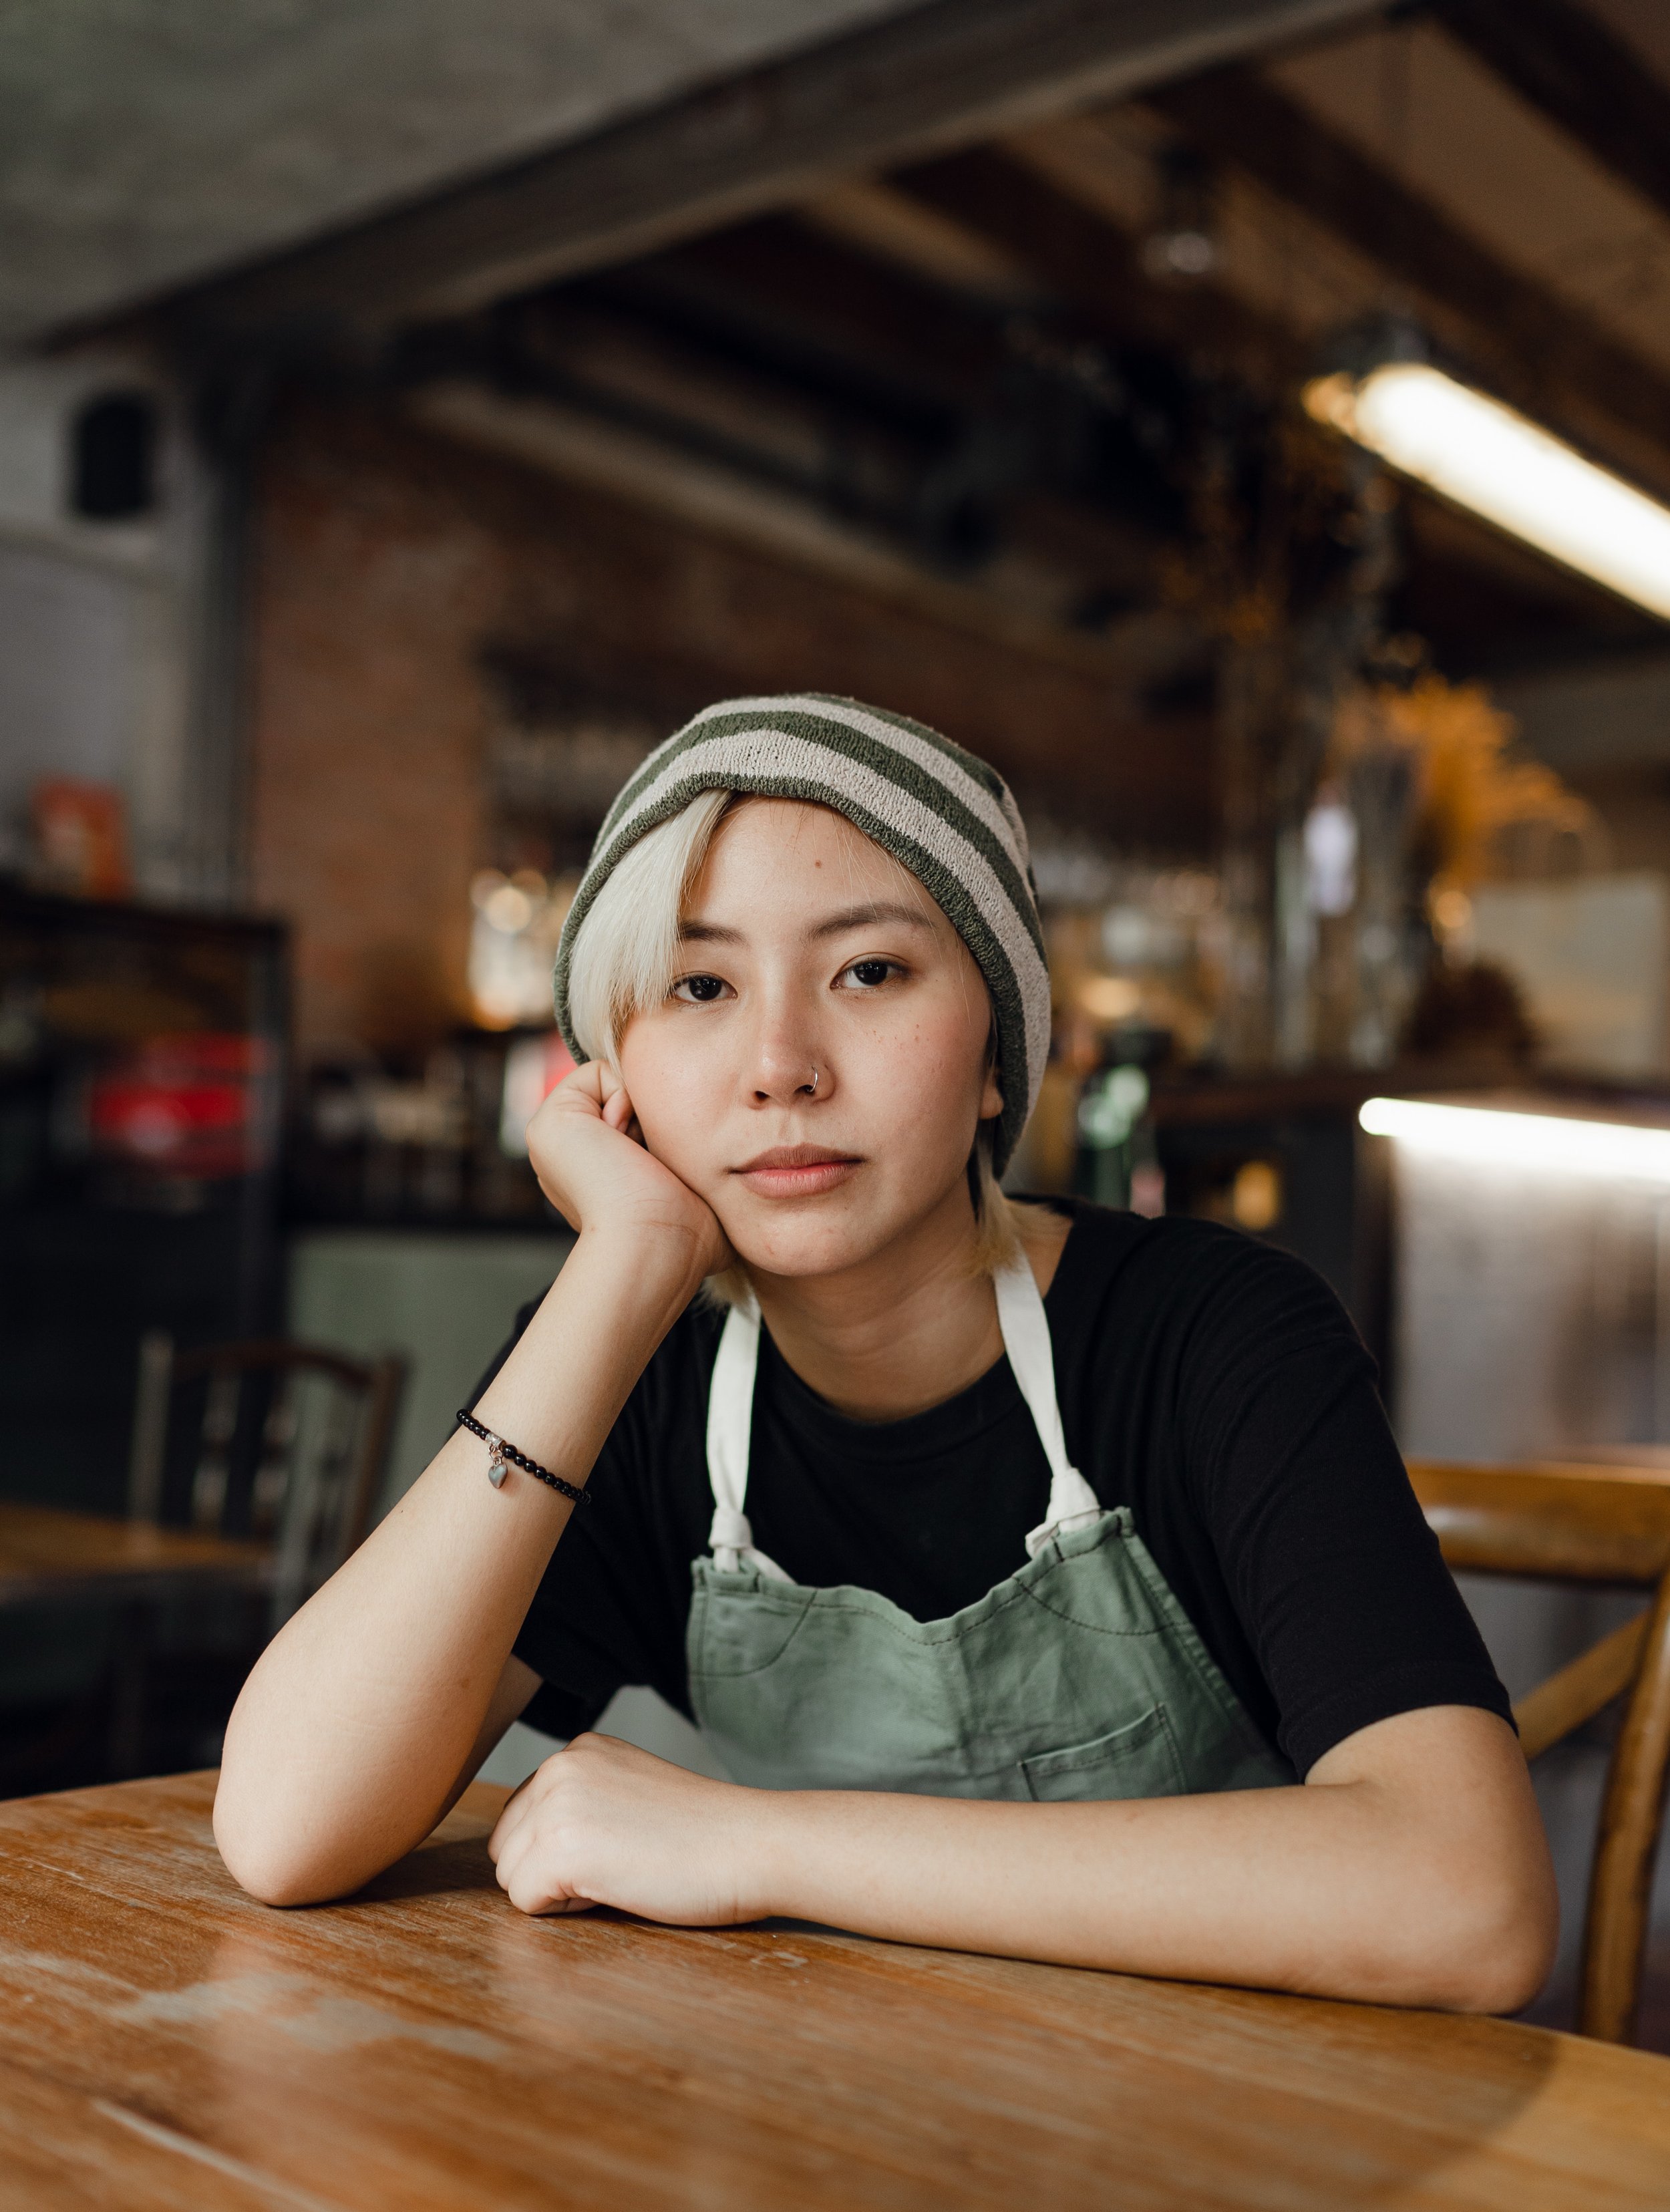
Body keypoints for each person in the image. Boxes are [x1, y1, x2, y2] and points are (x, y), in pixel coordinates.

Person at [216, 694, 1556, 2012]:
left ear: (994, 1053)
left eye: (868, 970)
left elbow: (1462, 1902)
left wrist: (759, 1844)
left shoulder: (1212, 1337)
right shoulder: (635, 1373)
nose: (780, 1064)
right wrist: (618, 1266)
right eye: (696, 985)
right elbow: (285, 1829)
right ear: (613, 1074)